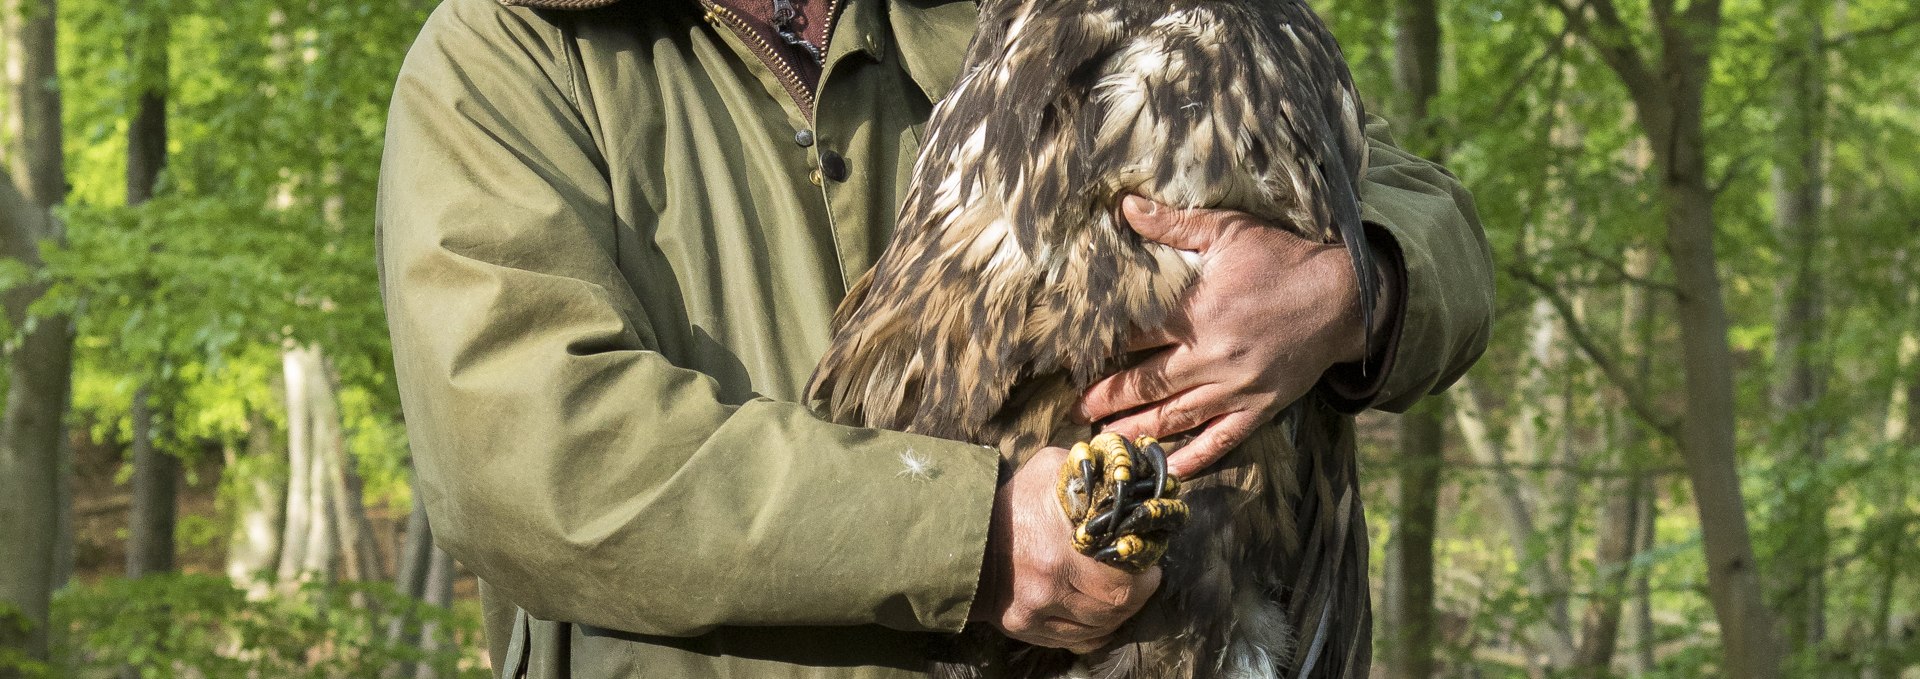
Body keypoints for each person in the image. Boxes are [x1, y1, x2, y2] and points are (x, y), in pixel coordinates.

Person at [374, 0, 1494, 676]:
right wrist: (979, 535)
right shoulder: (503, 57)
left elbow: (1386, 178)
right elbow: (532, 458)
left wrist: (1354, 284)